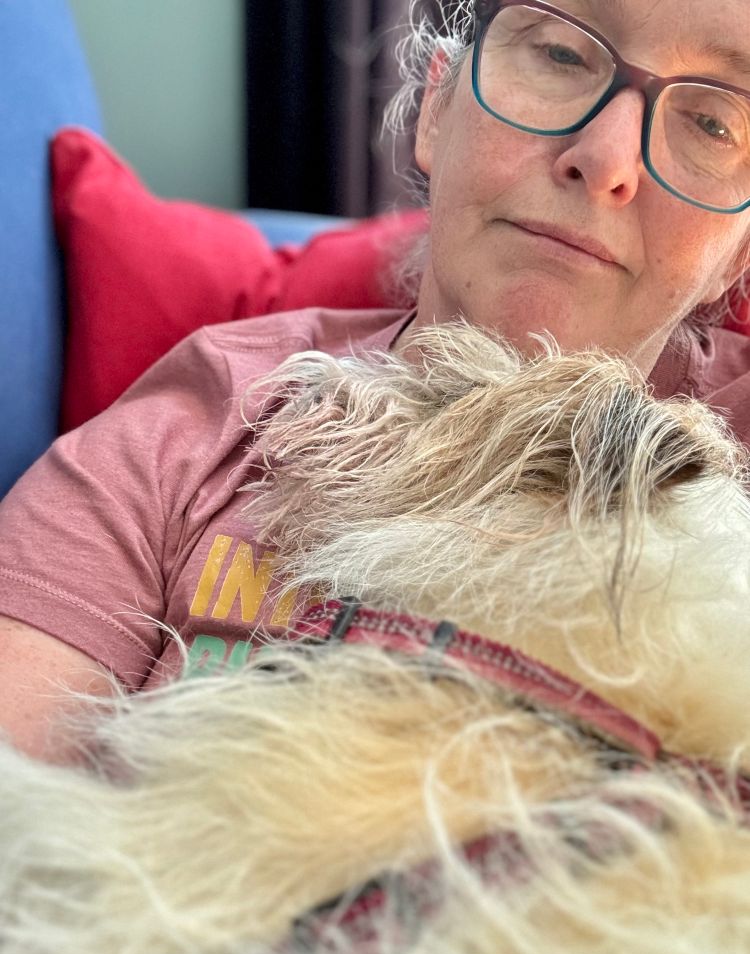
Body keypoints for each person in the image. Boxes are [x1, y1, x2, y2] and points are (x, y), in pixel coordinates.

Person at [2, 0, 750, 763]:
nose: (607, 161)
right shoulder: (203, 421)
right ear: (436, 110)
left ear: (737, 253)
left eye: (713, 123)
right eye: (560, 55)